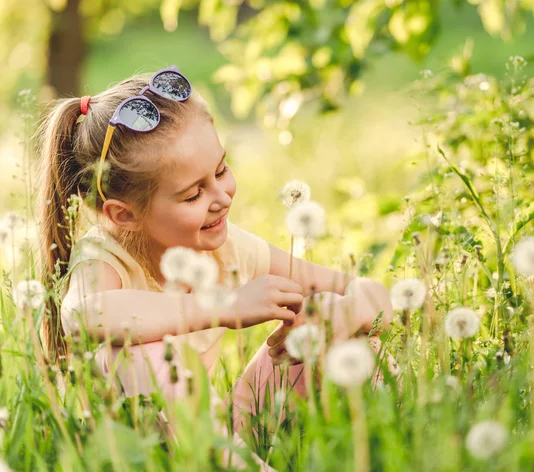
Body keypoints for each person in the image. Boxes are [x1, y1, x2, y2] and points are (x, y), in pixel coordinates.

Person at [36, 66, 397, 469]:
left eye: (221, 171)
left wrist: (341, 315)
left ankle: (380, 452)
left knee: (347, 328)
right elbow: (84, 313)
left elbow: (368, 294)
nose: (222, 197)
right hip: (141, 453)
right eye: (193, 194)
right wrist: (223, 306)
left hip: (218, 434)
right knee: (141, 351)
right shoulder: (104, 257)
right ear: (124, 215)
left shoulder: (228, 248)